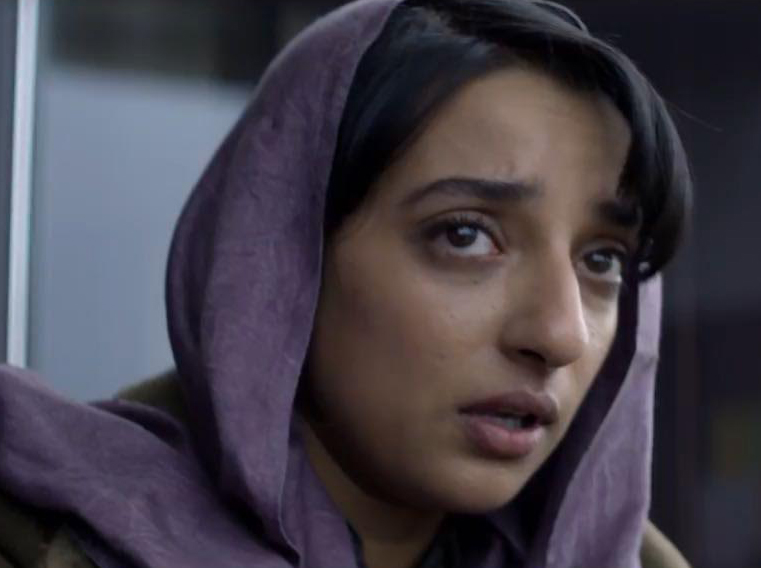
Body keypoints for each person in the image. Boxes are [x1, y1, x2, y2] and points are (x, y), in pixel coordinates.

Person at [0, 0, 693, 567]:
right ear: (281, 266)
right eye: (465, 235)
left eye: (602, 260)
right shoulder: (44, 538)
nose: (561, 334)